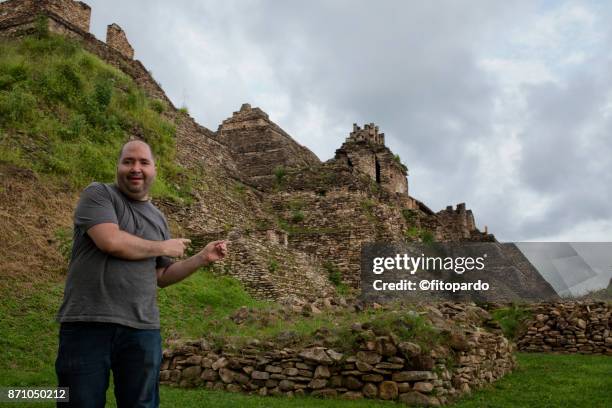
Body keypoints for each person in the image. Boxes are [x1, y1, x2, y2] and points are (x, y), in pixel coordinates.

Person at [55, 140, 227, 407]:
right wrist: (163, 246)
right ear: (118, 166)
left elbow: (162, 276)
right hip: (87, 323)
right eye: (128, 161)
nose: (136, 168)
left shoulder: (158, 219)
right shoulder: (99, 194)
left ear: (154, 170)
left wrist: (202, 257)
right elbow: (110, 241)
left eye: (143, 162)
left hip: (142, 330)